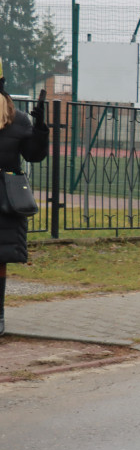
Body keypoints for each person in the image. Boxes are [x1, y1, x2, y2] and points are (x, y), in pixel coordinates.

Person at [0, 59, 49, 336]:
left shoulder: (17, 119)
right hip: (6, 198)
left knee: (0, 260)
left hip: (5, 200)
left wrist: (40, 128)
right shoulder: (17, 117)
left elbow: (34, 155)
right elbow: (35, 155)